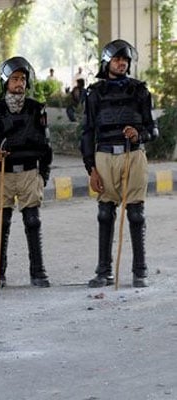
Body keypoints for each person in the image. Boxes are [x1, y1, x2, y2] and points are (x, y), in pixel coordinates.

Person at [81, 39, 158, 288]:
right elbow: (87, 132)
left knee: (136, 214)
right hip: (104, 156)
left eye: (125, 59)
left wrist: (139, 134)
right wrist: (91, 168)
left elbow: (153, 130)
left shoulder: (141, 91)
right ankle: (104, 271)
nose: (122, 63)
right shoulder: (94, 93)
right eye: (117, 59)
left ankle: (140, 271)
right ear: (107, 63)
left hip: (133, 155)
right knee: (105, 213)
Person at [0, 56, 52, 290]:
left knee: (32, 221)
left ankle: (38, 273)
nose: (19, 83)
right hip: (2, 173)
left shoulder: (36, 109)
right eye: (14, 79)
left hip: (29, 173)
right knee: (0, 222)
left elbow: (46, 146)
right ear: (5, 82)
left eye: (22, 78)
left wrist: (43, 176)